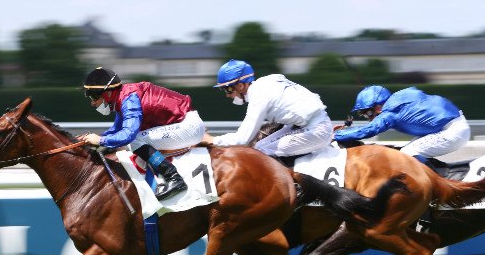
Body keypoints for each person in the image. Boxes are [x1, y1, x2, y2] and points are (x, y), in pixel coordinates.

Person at [77, 67, 205, 200]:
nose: (92, 103)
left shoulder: (129, 100)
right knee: (134, 140)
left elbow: (128, 135)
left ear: (108, 93)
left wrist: (100, 141)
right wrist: (89, 141)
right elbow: (116, 130)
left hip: (189, 127)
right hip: (182, 124)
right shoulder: (122, 98)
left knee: (135, 140)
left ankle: (173, 177)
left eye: (94, 96)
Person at [202, 59, 334, 162]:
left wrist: (212, 140)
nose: (227, 95)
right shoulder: (266, 81)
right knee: (258, 146)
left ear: (241, 86)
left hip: (316, 129)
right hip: (310, 124)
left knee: (260, 151)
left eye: (228, 89)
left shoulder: (258, 96)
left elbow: (242, 139)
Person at [334, 85, 471, 161]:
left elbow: (369, 130)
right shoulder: (399, 97)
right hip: (453, 126)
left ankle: (435, 188)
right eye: (364, 115)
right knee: (405, 151)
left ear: (378, 106)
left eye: (368, 113)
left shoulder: (390, 111)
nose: (369, 118)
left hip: (452, 131)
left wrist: (335, 135)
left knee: (407, 153)